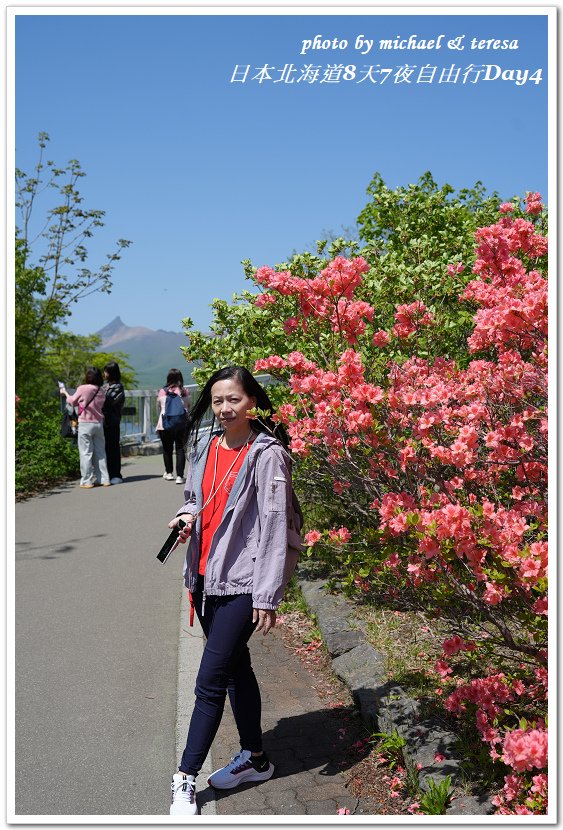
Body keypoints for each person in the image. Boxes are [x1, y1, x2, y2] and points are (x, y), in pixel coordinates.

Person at [167, 366, 301, 815]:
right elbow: (195, 498)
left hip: (244, 582)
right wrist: (187, 518)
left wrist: (266, 595)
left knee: (209, 682)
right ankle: (256, 759)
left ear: (253, 403)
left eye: (235, 400)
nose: (225, 409)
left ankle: (185, 779)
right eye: (219, 400)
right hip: (205, 576)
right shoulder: (205, 446)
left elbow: (275, 527)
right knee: (236, 668)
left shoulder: (267, 456)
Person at [61, 367, 110, 489]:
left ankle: (87, 481)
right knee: (100, 452)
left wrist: (65, 393)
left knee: (86, 453)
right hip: (98, 424)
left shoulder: (82, 388)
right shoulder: (101, 390)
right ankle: (104, 479)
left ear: (88, 377)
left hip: (85, 424)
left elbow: (72, 401)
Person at [156, 368, 190, 484]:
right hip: (181, 424)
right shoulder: (184, 391)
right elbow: (188, 406)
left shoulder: (163, 391)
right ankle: (180, 476)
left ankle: (169, 473)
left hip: (165, 425)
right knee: (180, 449)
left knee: (167, 449)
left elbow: (160, 408)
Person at [102, 361, 125, 484]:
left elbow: (110, 402)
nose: (104, 373)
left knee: (113, 448)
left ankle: (116, 474)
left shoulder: (118, 387)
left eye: (106, 371)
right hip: (103, 422)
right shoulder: (105, 386)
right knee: (105, 448)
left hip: (112, 421)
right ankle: (107, 474)